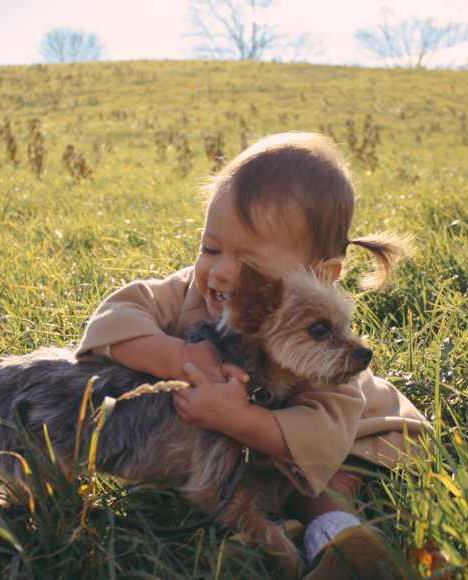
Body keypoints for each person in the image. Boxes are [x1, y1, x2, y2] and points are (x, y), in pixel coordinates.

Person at [76, 132, 431, 578]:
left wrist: (240, 420)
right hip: (234, 448)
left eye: (250, 267)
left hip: (346, 437)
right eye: (211, 248)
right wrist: (179, 356)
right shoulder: (189, 291)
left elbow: (323, 434)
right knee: (227, 470)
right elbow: (113, 320)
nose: (221, 272)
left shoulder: (328, 354)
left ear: (320, 276)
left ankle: (335, 534)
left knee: (328, 478)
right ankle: (252, 529)